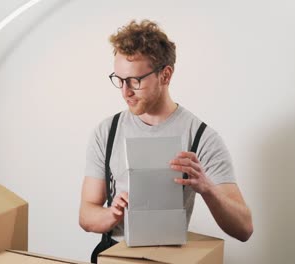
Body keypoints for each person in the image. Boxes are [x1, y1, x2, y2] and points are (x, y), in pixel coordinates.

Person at [79, 19, 253, 245]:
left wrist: (208, 189)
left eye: (134, 81)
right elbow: (86, 215)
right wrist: (113, 214)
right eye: (119, 80)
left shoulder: (202, 138)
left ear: (165, 75)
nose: (125, 92)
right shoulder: (107, 132)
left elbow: (244, 229)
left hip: (169, 255)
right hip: (115, 254)